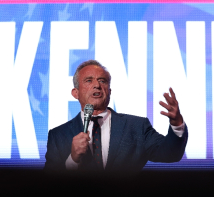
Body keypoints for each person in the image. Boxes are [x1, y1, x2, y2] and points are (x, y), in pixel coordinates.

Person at [44, 60, 188, 172]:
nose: (97, 85)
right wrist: (72, 160)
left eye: (102, 81)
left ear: (109, 90)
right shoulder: (58, 135)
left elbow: (171, 154)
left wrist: (177, 124)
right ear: (75, 93)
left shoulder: (137, 127)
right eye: (89, 80)